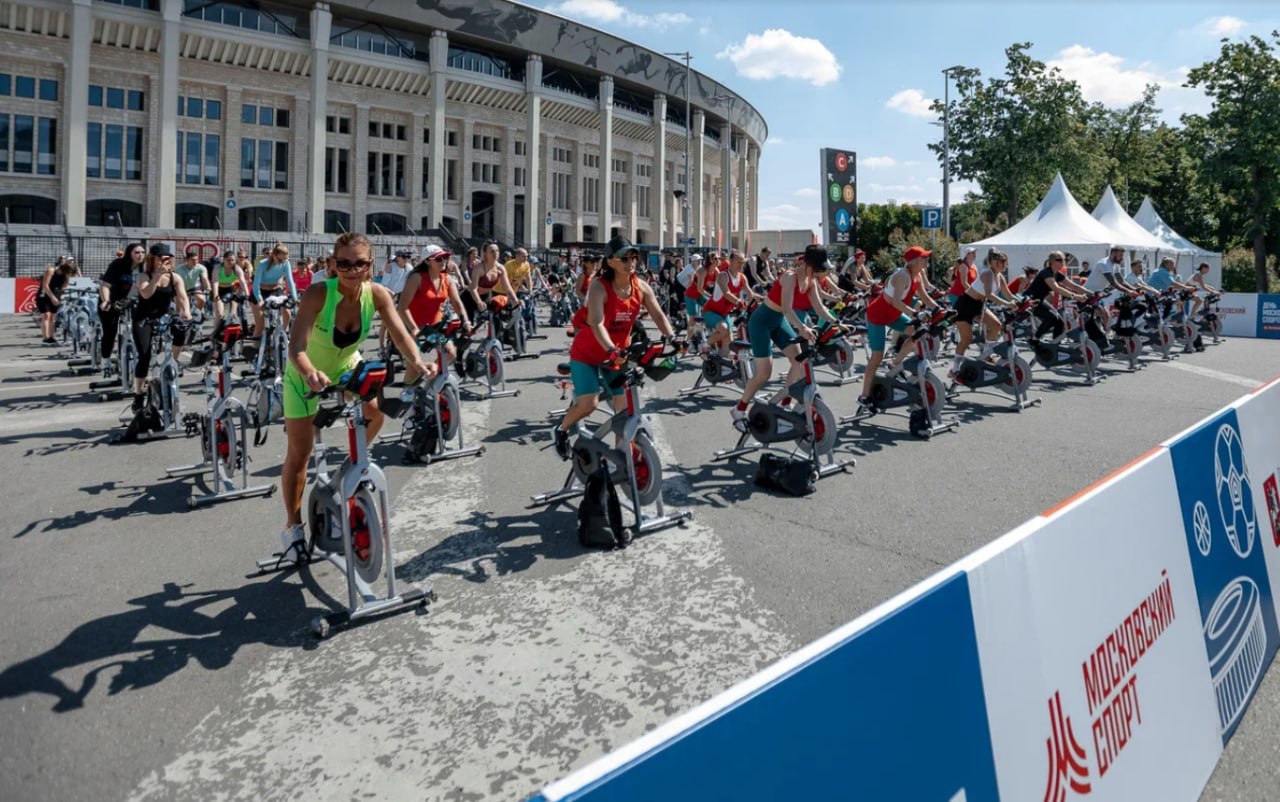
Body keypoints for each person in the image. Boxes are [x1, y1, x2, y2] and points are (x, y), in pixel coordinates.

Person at [278, 232, 436, 562]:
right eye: (344, 263)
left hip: (346, 365)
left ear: (370, 266)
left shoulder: (377, 294)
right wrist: (309, 373)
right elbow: (296, 347)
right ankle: (293, 528)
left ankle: (351, 470)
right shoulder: (318, 294)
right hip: (304, 373)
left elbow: (400, 334)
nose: (351, 269)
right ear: (334, 265)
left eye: (359, 263)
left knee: (376, 413)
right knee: (300, 452)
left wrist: (418, 361)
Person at [551, 236, 676, 459]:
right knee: (589, 404)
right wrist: (611, 349)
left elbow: (658, 315)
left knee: (625, 411)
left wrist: (673, 338)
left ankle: (622, 457)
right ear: (610, 262)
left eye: (634, 257)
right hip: (588, 354)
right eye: (624, 258)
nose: (631, 262)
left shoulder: (641, 287)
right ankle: (560, 430)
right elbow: (596, 322)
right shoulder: (599, 286)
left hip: (618, 356)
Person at [730, 245, 841, 430]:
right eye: (818, 269)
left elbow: (820, 308)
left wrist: (836, 323)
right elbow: (788, 308)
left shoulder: (810, 281)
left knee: (799, 361)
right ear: (807, 264)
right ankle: (739, 409)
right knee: (764, 373)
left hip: (779, 320)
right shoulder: (790, 277)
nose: (820, 274)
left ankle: (784, 403)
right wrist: (803, 327)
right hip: (762, 320)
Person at [857, 245, 941, 412]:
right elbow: (896, 301)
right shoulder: (903, 275)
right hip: (878, 315)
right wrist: (914, 313)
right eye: (924, 258)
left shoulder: (919, 274)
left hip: (894, 315)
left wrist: (939, 309)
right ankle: (864, 396)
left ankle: (895, 364)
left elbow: (924, 296)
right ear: (915, 261)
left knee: (918, 333)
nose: (926, 260)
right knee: (877, 356)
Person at [131, 243, 192, 410]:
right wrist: (157, 277)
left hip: (165, 315)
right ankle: (138, 394)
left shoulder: (175, 277)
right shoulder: (144, 276)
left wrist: (186, 313)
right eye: (161, 258)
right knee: (144, 355)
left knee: (181, 328)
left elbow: (183, 297)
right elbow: (146, 294)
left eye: (168, 258)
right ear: (153, 259)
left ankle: (174, 361)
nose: (165, 261)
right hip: (144, 318)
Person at [397, 244, 470, 380]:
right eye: (438, 259)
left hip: (434, 327)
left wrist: (466, 322)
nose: (443, 262)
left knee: (450, 354)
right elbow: (402, 307)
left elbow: (457, 303)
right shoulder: (417, 278)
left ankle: (429, 377)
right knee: (414, 366)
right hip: (412, 326)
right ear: (427, 261)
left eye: (445, 258)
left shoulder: (447, 279)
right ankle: (408, 394)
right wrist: (413, 329)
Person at [950, 249, 1018, 377]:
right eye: (1001, 262)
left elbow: (1008, 294)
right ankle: (954, 369)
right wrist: (1008, 304)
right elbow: (989, 294)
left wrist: (1020, 301)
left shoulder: (1000, 277)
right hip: (965, 305)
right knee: (966, 339)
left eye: (1005, 262)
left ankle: (987, 355)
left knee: (997, 325)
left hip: (978, 305)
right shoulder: (987, 274)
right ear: (992, 262)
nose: (1004, 264)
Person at [702, 250, 760, 352]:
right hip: (710, 311)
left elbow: (751, 294)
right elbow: (726, 293)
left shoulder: (742, 277)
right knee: (724, 330)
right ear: (731, 261)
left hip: (724, 314)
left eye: (743, 263)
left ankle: (724, 363)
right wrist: (738, 301)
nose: (741, 265)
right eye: (739, 262)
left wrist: (765, 299)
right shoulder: (723, 276)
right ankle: (704, 345)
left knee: (729, 340)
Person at [1025, 250, 1088, 342]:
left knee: (1060, 322)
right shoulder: (1046, 273)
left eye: (1063, 260)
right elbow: (1056, 288)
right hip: (1031, 301)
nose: (1062, 262)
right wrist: (1076, 296)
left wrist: (1091, 293)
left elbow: (1073, 286)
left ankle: (1055, 344)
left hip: (1040, 300)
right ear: (1052, 262)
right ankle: (1034, 340)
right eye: (1059, 260)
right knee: (1052, 318)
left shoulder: (1057, 274)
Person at [99, 243, 145, 360]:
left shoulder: (145, 267)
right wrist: (106, 301)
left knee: (140, 328)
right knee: (110, 331)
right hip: (113, 300)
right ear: (129, 253)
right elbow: (105, 285)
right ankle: (106, 360)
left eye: (142, 252)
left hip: (132, 301)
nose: (140, 255)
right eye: (137, 252)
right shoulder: (118, 265)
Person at [250, 243, 298, 342]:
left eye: (285, 259)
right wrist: (260, 300)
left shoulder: (286, 263)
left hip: (275, 290)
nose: (283, 262)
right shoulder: (263, 264)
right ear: (274, 255)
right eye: (280, 259)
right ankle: (255, 348)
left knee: (287, 313)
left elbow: (290, 281)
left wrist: (295, 298)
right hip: (260, 292)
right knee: (260, 324)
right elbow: (256, 284)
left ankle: (282, 335)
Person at [465, 242, 520, 318]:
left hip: (486, 296)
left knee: (495, 318)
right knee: (469, 325)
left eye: (497, 250)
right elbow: (473, 289)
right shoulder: (479, 268)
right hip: (470, 297)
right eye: (492, 251)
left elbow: (507, 288)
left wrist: (515, 299)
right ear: (485, 253)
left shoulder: (500, 268)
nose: (495, 253)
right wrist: (479, 302)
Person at [37, 256, 78, 344]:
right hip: (44, 295)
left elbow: (64, 286)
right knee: (46, 315)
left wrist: (61, 295)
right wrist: (53, 297)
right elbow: (45, 286)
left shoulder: (66, 275)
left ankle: (52, 336)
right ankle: (46, 337)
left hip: (56, 295)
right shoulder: (51, 271)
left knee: (53, 316)